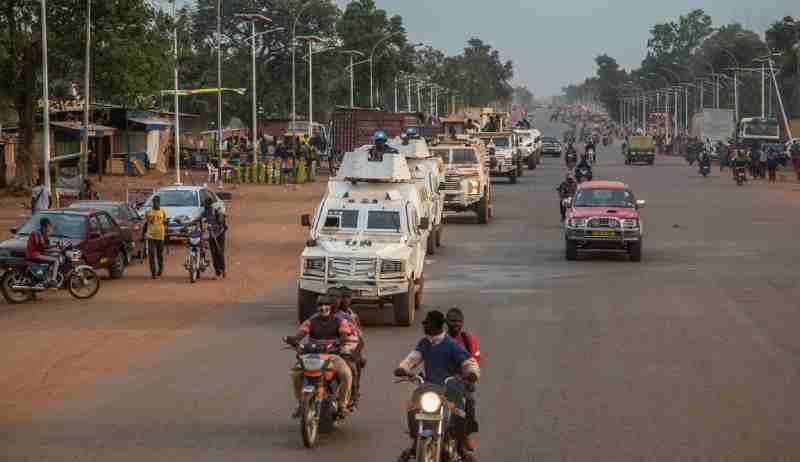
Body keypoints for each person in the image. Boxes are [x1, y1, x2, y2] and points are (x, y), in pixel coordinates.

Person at [394, 310, 480, 461]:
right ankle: (416, 443)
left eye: (427, 324)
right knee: (413, 408)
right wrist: (403, 368)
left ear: (436, 326)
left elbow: (469, 362)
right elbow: (414, 358)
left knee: (459, 415)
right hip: (428, 388)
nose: (425, 326)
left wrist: (472, 372)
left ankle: (460, 447)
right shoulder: (425, 342)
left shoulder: (451, 345)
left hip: (450, 389)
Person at [284, 298, 357, 418]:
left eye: (326, 305)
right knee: (295, 374)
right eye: (320, 305)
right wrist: (293, 340)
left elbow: (344, 336)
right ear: (317, 308)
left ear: (332, 307)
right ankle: (301, 403)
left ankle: (342, 405)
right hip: (310, 355)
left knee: (346, 374)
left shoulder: (341, 321)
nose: (323, 308)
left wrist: (339, 342)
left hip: (332, 356)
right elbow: (300, 334)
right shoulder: (311, 321)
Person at [446, 308, 481, 451]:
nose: (456, 324)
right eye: (453, 321)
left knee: (469, 401)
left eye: (459, 321)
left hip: (461, 382)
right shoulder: (438, 338)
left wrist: (471, 379)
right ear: (446, 322)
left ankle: (465, 435)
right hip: (440, 381)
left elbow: (475, 361)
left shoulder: (468, 340)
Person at [26, 217, 59, 287]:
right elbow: (42, 246)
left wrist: (55, 248)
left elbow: (46, 246)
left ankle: (46, 279)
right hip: (34, 255)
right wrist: (54, 247)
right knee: (56, 260)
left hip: (37, 254)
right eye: (48, 226)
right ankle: (53, 280)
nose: (49, 228)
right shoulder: (37, 233)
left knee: (52, 258)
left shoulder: (43, 233)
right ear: (45, 226)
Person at [201, 197, 227, 279]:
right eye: (204, 205)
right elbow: (198, 218)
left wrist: (220, 218)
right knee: (214, 254)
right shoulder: (206, 212)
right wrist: (188, 224)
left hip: (220, 234)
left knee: (220, 252)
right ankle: (217, 272)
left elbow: (221, 219)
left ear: (209, 204)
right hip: (212, 235)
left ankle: (223, 270)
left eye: (206, 205)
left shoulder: (216, 211)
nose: (204, 206)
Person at [142, 195, 166, 279]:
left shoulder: (163, 211)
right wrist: (143, 234)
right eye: (154, 202)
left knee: (160, 254)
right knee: (151, 253)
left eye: (156, 202)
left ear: (159, 203)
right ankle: (153, 272)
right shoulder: (148, 212)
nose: (155, 203)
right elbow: (146, 224)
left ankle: (160, 268)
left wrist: (167, 236)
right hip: (150, 235)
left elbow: (165, 222)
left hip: (160, 235)